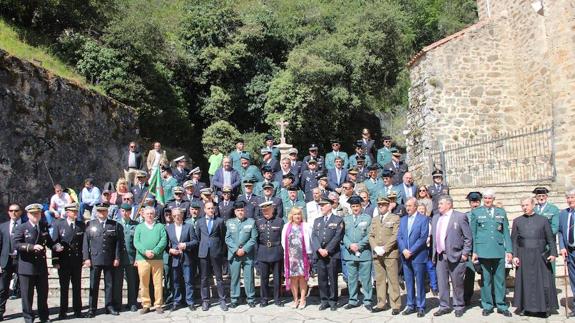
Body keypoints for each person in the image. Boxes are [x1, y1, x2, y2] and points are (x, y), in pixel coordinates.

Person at [512, 197, 558, 317]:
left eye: (526, 205)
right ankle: (524, 307)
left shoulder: (543, 220)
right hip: (523, 255)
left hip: (540, 255)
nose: (524, 207)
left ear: (533, 205)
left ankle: (545, 308)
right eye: (522, 205)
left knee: (543, 282)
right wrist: (515, 256)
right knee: (525, 282)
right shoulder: (517, 221)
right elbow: (514, 241)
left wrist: (553, 253)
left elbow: (550, 239)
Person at [469, 189, 512, 317]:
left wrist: (509, 250)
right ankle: (487, 305)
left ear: (493, 199)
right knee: (486, 279)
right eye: (486, 198)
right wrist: (474, 251)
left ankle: (501, 305)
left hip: (498, 250)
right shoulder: (476, 213)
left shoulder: (501, 212)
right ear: (483, 199)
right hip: (483, 251)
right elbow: (473, 234)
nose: (488, 200)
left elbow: (505, 233)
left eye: (490, 198)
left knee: (500, 279)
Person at [14, 204, 58, 323]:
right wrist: (31, 247)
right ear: (28, 215)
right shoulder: (22, 227)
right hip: (27, 266)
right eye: (33, 214)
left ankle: (44, 316)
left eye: (38, 213)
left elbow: (48, 241)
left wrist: (55, 246)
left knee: (43, 294)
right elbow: (16, 244)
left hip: (41, 266)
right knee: (27, 296)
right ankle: (29, 318)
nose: (36, 216)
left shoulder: (43, 226)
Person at [431, 195, 472, 318]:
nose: (438, 206)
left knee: (457, 283)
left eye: (441, 204)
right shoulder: (435, 218)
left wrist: (465, 253)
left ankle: (459, 305)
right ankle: (444, 306)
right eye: (438, 204)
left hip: (456, 255)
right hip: (440, 255)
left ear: (449, 204)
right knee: (442, 283)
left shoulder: (460, 217)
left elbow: (468, 237)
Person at [83, 203, 122, 317]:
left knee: (109, 284)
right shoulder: (91, 224)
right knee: (93, 284)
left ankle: (109, 306)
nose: (102, 213)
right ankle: (92, 308)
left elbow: (117, 243)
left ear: (107, 212)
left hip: (109, 259)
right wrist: (86, 258)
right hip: (95, 259)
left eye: (104, 211)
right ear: (96, 212)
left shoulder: (114, 225)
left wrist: (117, 257)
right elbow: (86, 242)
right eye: (99, 211)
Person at [50, 203, 85, 319]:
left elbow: (83, 244)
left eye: (76, 211)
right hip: (64, 261)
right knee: (64, 287)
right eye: (72, 211)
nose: (74, 213)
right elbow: (54, 243)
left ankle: (77, 310)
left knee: (77, 286)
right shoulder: (59, 225)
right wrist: (55, 260)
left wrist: (84, 258)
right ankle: (63, 311)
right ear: (66, 212)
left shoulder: (81, 225)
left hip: (76, 260)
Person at [369, 196, 401, 314]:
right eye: (379, 204)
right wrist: (375, 247)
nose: (380, 206)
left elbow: (395, 235)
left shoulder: (395, 218)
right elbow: (371, 235)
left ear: (388, 206)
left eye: (383, 204)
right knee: (380, 279)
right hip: (377, 253)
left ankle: (396, 304)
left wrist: (385, 248)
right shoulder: (375, 219)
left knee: (393, 279)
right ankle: (381, 303)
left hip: (390, 253)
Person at [397, 197, 429, 317]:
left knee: (420, 281)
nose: (407, 208)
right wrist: (404, 250)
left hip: (418, 256)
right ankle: (411, 304)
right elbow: (399, 236)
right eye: (406, 206)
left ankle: (421, 306)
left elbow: (423, 238)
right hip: (405, 256)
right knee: (409, 281)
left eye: (410, 206)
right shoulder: (403, 219)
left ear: (415, 206)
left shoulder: (423, 219)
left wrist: (411, 251)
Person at [342, 196, 373, 312]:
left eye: (357, 206)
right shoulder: (346, 219)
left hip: (364, 253)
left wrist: (359, 245)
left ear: (361, 206)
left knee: (366, 279)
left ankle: (368, 300)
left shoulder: (367, 218)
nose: (355, 208)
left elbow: (370, 235)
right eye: (353, 206)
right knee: (352, 279)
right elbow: (343, 235)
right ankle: (352, 300)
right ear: (350, 207)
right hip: (350, 253)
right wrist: (350, 245)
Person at [134, 206, 168, 314]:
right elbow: (136, 242)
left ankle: (158, 304)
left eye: (151, 213)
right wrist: (145, 252)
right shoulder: (139, 227)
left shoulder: (160, 227)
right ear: (143, 215)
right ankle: (146, 304)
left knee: (158, 282)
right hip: (143, 259)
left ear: (154, 215)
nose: (149, 215)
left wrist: (154, 251)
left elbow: (163, 240)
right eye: (147, 213)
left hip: (157, 258)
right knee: (144, 283)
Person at [195, 202, 228, 311]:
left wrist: (220, 251)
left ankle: (222, 299)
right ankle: (205, 300)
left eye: (212, 208)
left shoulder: (219, 221)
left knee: (219, 277)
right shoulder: (199, 222)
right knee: (204, 278)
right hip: (203, 253)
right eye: (208, 208)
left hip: (216, 253)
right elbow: (198, 238)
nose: (210, 210)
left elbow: (223, 237)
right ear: (204, 209)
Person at [225, 201, 258, 308]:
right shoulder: (229, 222)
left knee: (249, 278)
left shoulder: (251, 222)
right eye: (238, 210)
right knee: (235, 278)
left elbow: (253, 238)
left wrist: (244, 249)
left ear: (245, 211)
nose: (240, 212)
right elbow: (228, 238)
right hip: (234, 255)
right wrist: (236, 250)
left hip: (247, 254)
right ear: (235, 212)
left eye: (242, 210)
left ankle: (251, 298)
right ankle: (234, 299)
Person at [166, 207, 198, 311]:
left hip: (187, 258)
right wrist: (170, 250)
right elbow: (165, 245)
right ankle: (177, 301)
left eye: (178, 215)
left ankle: (190, 301)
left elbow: (195, 241)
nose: (177, 217)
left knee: (188, 280)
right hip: (174, 258)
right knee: (175, 281)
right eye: (174, 215)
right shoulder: (168, 228)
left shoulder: (188, 227)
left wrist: (186, 245)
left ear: (182, 215)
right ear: (172, 216)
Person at [281, 207, 312, 309]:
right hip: (291, 257)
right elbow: (283, 242)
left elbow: (310, 240)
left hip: (303, 257)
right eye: (295, 214)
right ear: (291, 216)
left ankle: (303, 299)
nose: (297, 216)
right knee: (293, 279)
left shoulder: (306, 226)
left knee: (303, 278)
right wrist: (289, 253)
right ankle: (295, 299)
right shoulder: (286, 226)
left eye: (299, 214)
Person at [256, 201, 284, 307]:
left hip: (276, 251)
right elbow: (256, 239)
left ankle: (277, 299)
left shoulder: (279, 221)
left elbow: (282, 238)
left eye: (267, 210)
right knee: (264, 278)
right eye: (264, 211)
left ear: (272, 209)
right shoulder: (258, 222)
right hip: (263, 252)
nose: (266, 212)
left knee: (277, 278)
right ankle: (264, 299)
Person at [115, 203, 139, 312]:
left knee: (132, 282)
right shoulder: (116, 224)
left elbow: (138, 243)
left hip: (131, 257)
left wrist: (137, 258)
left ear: (130, 212)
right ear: (121, 212)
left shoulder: (136, 225)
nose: (125, 213)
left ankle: (132, 303)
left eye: (127, 211)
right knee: (118, 282)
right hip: (119, 257)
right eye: (123, 211)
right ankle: (118, 304)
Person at [0, 204, 23, 320]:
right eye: (11, 211)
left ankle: (27, 312)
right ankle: (0, 311)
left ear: (20, 212)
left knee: (25, 288)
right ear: (8, 212)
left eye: (16, 210)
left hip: (21, 260)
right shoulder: (2, 227)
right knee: (2, 288)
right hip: (6, 260)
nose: (13, 213)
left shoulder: (25, 226)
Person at [557, 188, 575, 317]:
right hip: (570, 251)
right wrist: (562, 247)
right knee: (573, 279)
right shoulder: (564, 213)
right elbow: (560, 231)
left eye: (572, 197)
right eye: (568, 198)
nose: (570, 200)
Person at [463, 191, 482, 306]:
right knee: (469, 275)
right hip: (470, 250)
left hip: (483, 249)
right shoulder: (466, 216)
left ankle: (487, 297)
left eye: (477, 202)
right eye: (472, 202)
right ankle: (467, 298)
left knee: (485, 274)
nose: (475, 204)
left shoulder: (485, 214)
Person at [417, 202, 438, 297]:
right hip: (418, 248)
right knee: (420, 268)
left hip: (429, 247)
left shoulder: (430, 220)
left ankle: (434, 286)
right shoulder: (415, 220)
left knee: (430, 266)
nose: (421, 210)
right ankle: (423, 286)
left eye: (423, 209)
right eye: (419, 209)